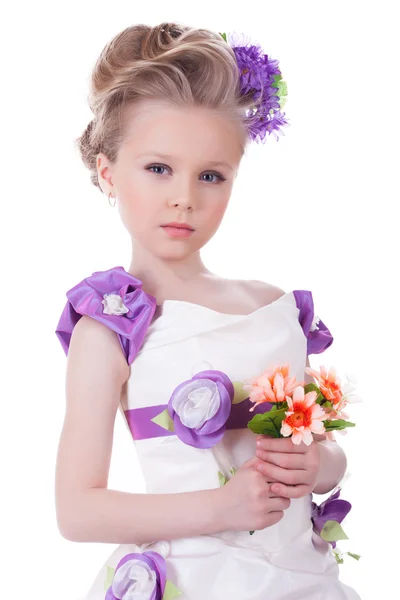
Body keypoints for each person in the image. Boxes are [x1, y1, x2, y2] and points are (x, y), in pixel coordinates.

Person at [55, 21, 360, 600]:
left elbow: (321, 450)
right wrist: (221, 506)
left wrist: (320, 465)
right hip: (198, 581)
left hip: (302, 578)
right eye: (158, 168)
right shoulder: (113, 327)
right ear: (106, 172)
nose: (184, 197)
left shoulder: (273, 309)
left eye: (211, 176)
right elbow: (77, 511)